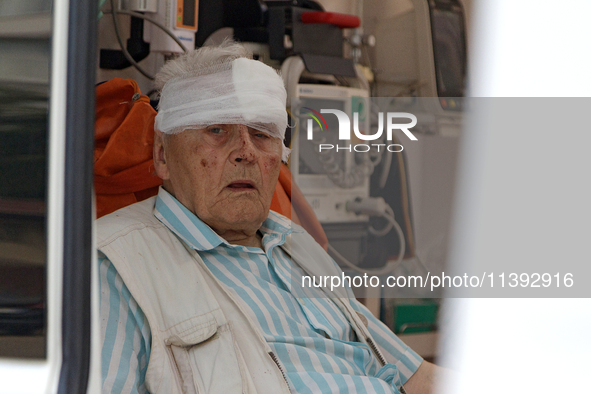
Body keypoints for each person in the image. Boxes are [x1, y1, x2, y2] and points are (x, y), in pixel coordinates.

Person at [97, 40, 442, 394]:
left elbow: (415, 376)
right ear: (162, 156)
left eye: (262, 133)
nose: (246, 151)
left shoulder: (298, 246)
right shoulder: (116, 267)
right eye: (217, 130)